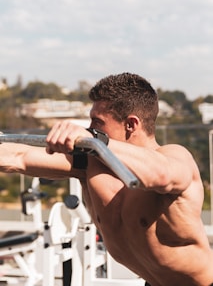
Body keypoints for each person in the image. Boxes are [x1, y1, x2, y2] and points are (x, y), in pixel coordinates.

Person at [0, 72, 213, 286]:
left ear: (130, 125)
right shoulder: (92, 164)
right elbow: (20, 157)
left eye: (97, 123)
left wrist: (95, 140)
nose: (90, 129)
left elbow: (161, 175)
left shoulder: (175, 157)